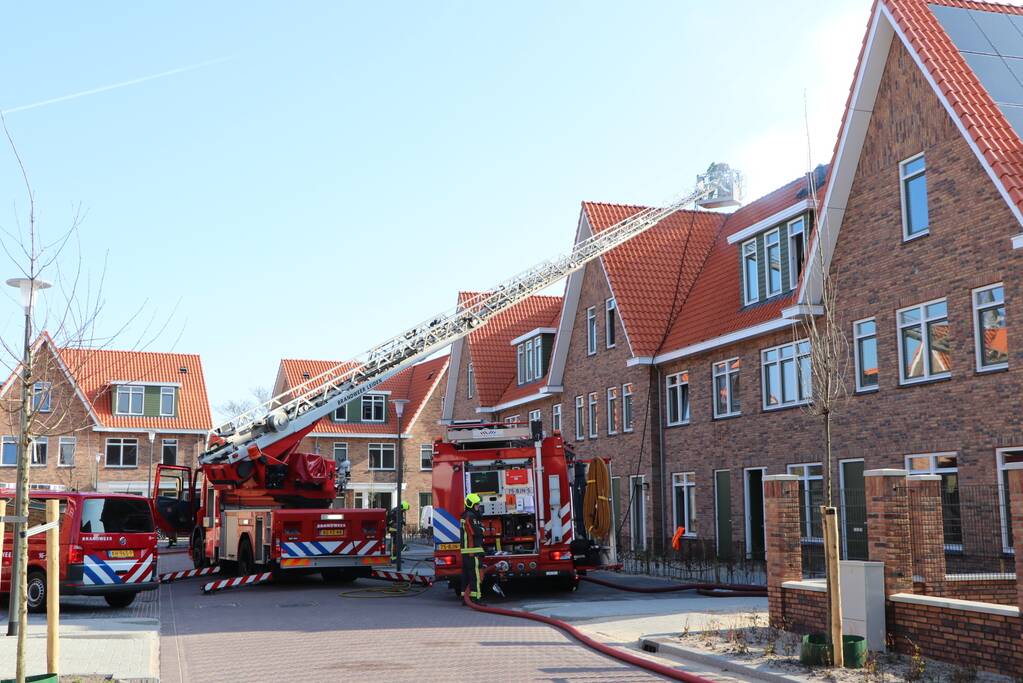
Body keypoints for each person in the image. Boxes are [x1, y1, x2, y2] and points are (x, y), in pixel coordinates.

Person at [460, 493, 485, 601]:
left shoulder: (467, 515)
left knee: (466, 576)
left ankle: (464, 598)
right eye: (477, 505)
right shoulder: (470, 516)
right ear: (471, 505)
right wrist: (482, 529)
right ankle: (476, 599)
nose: (478, 507)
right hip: (472, 552)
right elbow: (474, 531)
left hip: (468, 552)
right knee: (475, 576)